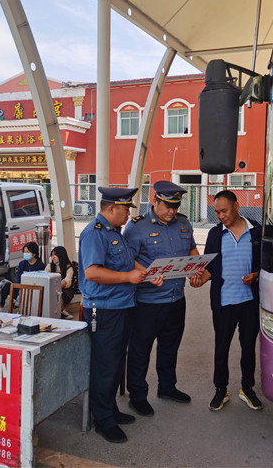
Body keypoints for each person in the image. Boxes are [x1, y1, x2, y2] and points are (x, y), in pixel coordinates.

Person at [78, 187, 162, 444]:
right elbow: (92, 272)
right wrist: (128, 277)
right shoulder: (94, 233)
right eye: (125, 210)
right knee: (104, 365)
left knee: (115, 363)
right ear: (112, 208)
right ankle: (103, 420)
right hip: (103, 309)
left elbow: (128, 262)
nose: (128, 215)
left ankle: (110, 409)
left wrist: (148, 274)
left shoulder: (114, 232)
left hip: (122, 305)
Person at [123, 181, 198, 417]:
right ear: (155, 200)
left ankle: (167, 387)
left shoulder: (183, 223)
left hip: (176, 298)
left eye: (176, 207)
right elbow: (126, 259)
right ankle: (137, 396)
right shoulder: (137, 227)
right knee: (140, 350)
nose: (172, 212)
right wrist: (146, 274)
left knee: (170, 346)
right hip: (148, 301)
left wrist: (196, 267)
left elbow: (191, 249)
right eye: (168, 206)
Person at [190, 190, 263, 412]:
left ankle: (247, 389)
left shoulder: (256, 231)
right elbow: (210, 267)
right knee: (221, 349)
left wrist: (256, 275)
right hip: (223, 302)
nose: (221, 216)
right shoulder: (215, 234)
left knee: (248, 348)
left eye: (224, 211)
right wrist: (200, 279)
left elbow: (265, 262)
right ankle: (220, 389)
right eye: (217, 212)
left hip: (249, 302)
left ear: (236, 206)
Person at [0, 241, 45, 311]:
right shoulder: (22, 264)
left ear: (34, 254)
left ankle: (19, 307)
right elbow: (19, 280)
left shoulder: (40, 265)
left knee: (23, 288)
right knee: (4, 283)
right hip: (20, 288)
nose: (25, 254)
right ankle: (0, 307)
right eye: (24, 252)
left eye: (27, 252)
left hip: (31, 290)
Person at [45, 245, 75, 319]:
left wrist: (55, 288)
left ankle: (61, 311)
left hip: (66, 292)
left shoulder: (68, 267)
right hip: (51, 289)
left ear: (61, 255)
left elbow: (67, 282)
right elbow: (45, 277)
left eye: (55, 255)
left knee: (59, 292)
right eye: (52, 255)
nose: (53, 257)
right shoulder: (49, 266)